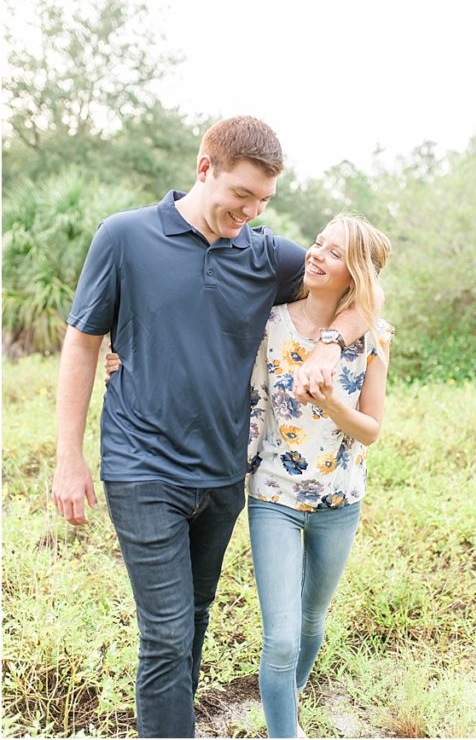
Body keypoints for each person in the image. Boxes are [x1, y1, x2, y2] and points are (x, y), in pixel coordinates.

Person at [52, 116, 367, 738]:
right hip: (142, 466)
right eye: (241, 195)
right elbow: (83, 341)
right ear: (205, 168)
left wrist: (332, 341)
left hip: (224, 474)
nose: (249, 211)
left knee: (192, 621)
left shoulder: (267, 255)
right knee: (167, 633)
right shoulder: (124, 237)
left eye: (263, 201)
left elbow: (359, 284)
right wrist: (69, 457)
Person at [245, 214, 393, 737]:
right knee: (280, 638)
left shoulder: (372, 338)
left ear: (353, 272)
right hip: (273, 497)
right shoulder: (270, 323)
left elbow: (371, 429)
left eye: (331, 253)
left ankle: (292, 693)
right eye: (317, 243)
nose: (314, 254)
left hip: (341, 500)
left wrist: (332, 404)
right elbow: (250, 401)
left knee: (311, 622)